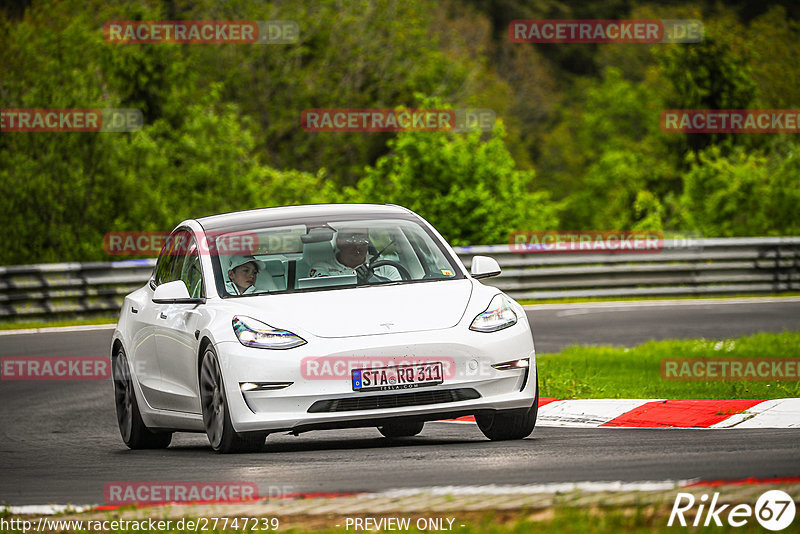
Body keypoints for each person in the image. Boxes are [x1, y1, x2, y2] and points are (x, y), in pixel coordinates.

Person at [309, 229, 402, 282]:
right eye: (350, 240)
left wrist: (373, 278)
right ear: (338, 243)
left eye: (362, 240)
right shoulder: (320, 268)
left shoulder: (384, 266)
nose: (357, 245)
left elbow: (399, 294)